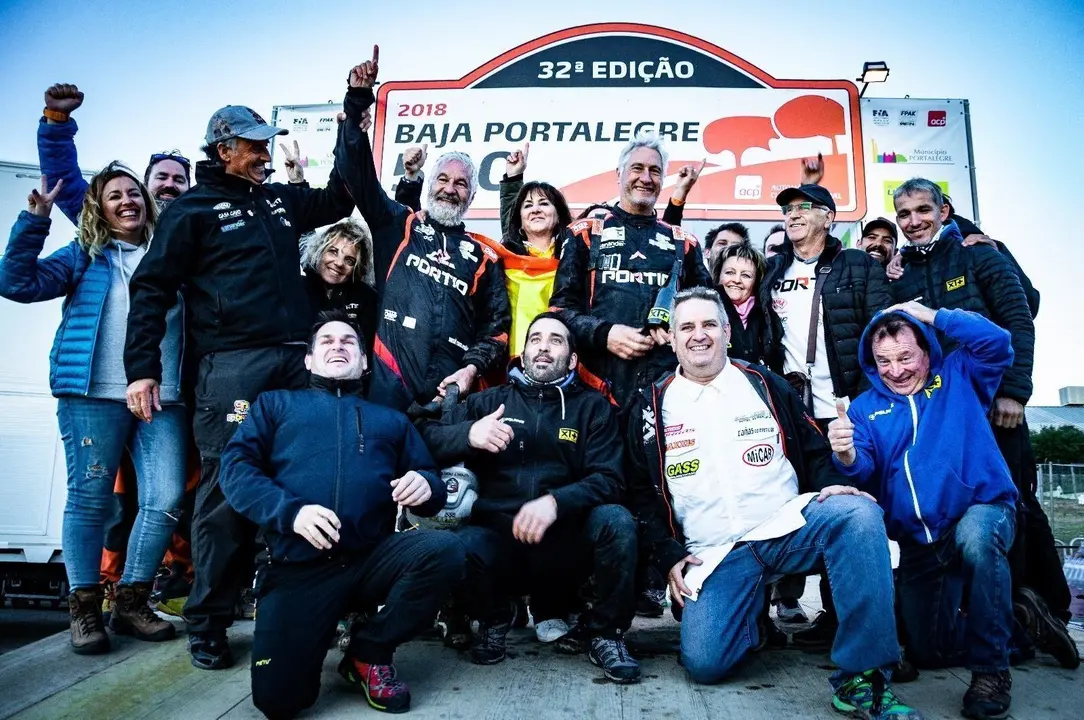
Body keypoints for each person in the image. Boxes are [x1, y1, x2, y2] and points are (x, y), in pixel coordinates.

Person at [124, 60, 369, 670]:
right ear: (223, 148)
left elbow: (342, 194)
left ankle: (285, 611)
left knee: (299, 488)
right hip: (232, 368)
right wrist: (142, 369)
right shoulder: (193, 210)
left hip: (297, 366)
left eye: (265, 144)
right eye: (253, 145)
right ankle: (207, 621)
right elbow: (150, 289)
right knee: (229, 494)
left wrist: (354, 108)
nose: (264, 153)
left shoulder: (279, 202)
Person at [626, 288, 920, 719]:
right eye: (686, 327)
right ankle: (752, 619)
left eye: (709, 324)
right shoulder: (651, 403)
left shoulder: (764, 383)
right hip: (715, 553)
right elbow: (638, 490)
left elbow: (815, 450)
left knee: (857, 513)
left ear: (727, 332)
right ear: (671, 339)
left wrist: (833, 483)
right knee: (706, 665)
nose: (699, 335)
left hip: (787, 528)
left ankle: (864, 676)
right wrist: (668, 553)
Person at [825, 302, 1071, 717]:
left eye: (905, 357)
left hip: (982, 510)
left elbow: (997, 341)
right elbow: (863, 471)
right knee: (928, 652)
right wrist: (846, 453)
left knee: (977, 538)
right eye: (883, 361)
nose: (896, 370)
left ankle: (991, 672)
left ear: (927, 351)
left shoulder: (960, 375)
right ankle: (1022, 625)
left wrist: (930, 314)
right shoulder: (865, 408)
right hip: (921, 539)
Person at [220, 312, 463, 718]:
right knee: (280, 702)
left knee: (446, 550)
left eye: (348, 341)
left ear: (365, 362)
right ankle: (315, 633)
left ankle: (368, 650)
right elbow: (235, 468)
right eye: (327, 341)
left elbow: (432, 485)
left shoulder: (392, 419)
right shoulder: (276, 405)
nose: (338, 346)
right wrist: (291, 512)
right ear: (309, 360)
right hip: (298, 568)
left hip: (370, 559)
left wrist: (426, 486)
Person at [888, 178, 1076, 667]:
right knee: (957, 516)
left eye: (923, 209)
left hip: (997, 410)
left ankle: (1033, 613)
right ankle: (983, 614)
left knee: (1010, 511)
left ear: (943, 209)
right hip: (943, 418)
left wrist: (1015, 389)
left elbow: (1019, 317)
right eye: (904, 213)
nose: (914, 221)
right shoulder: (901, 274)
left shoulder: (980, 255)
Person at [0, 165, 186, 654]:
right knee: (90, 498)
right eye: (114, 196)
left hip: (162, 397)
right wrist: (34, 220)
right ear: (99, 209)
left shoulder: (172, 252)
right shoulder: (86, 254)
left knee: (164, 498)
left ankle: (131, 599)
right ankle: (85, 607)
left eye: (134, 193)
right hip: (93, 394)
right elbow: (17, 283)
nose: (127, 201)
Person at [415, 312, 640, 683]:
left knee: (617, 521)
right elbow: (424, 436)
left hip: (564, 544)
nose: (543, 347)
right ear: (523, 352)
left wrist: (556, 502)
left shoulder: (592, 407)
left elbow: (611, 479)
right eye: (535, 339)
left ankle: (605, 634)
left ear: (572, 359)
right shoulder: (488, 403)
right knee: (456, 544)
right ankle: (492, 618)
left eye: (555, 340)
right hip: (499, 539)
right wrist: (469, 435)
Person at [332, 51, 512, 412]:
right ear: (430, 184)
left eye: (461, 184)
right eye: (443, 179)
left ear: (473, 195)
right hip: (386, 387)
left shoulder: (483, 257)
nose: (450, 188)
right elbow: (358, 175)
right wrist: (357, 101)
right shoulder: (400, 224)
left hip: (448, 398)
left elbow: (497, 330)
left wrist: (470, 370)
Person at [764, 183, 891, 644]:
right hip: (793, 416)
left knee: (851, 510)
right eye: (787, 209)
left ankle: (845, 620)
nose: (792, 215)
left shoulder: (857, 264)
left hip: (846, 410)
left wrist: (866, 399)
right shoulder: (772, 269)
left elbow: (881, 331)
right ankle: (772, 610)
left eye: (804, 208)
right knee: (792, 508)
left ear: (829, 218)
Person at [549, 130, 712, 411]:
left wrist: (676, 328)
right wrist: (605, 333)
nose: (646, 178)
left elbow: (708, 311)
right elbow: (559, 310)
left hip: (667, 391)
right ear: (619, 174)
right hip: (595, 391)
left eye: (655, 171)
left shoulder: (684, 242)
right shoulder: (584, 233)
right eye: (637, 168)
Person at [38, 83, 191, 220]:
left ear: (190, 188)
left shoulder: (205, 229)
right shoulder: (113, 218)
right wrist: (57, 118)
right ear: (145, 184)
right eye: (162, 177)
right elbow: (64, 182)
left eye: (179, 180)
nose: (169, 184)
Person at [301, 218, 379, 364]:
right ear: (319, 251)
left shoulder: (367, 298)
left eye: (349, 260)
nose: (338, 263)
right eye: (333, 252)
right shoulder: (297, 287)